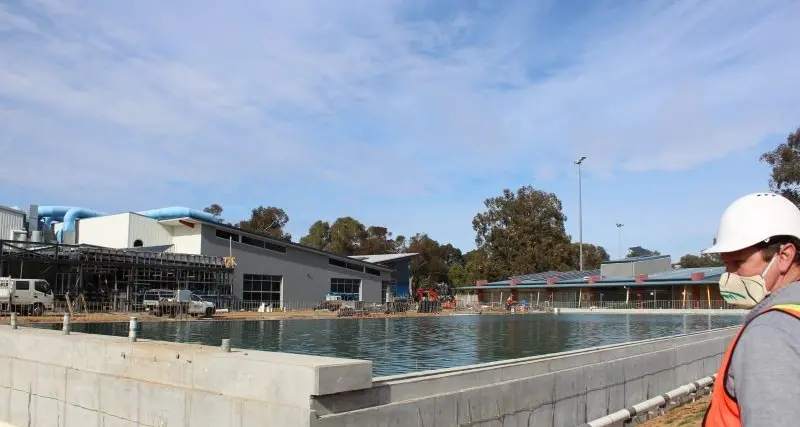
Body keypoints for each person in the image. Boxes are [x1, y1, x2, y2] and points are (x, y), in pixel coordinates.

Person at [701, 192, 800, 427]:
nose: (728, 276)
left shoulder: (770, 333)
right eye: (726, 264)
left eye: (738, 263)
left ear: (784, 256)